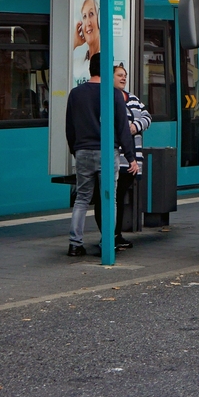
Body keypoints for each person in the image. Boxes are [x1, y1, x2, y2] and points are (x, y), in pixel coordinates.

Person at [65, 52, 139, 257]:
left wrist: (76, 149)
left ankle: (75, 244)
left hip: (83, 152)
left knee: (82, 199)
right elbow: (122, 128)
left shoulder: (75, 94)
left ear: (90, 68)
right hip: (107, 153)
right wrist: (131, 157)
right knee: (109, 198)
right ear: (106, 70)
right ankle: (108, 241)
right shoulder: (113, 94)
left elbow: (69, 127)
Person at [93, 64, 151, 250]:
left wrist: (136, 126)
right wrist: (127, 128)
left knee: (119, 196)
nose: (124, 78)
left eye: (125, 75)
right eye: (120, 75)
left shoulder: (132, 98)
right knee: (109, 197)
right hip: (116, 158)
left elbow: (147, 115)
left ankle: (115, 235)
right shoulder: (106, 97)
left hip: (132, 161)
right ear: (110, 77)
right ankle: (110, 236)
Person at [71, 0, 100, 88]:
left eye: (91, 14)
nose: (88, 23)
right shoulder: (76, 62)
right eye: (84, 16)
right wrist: (74, 44)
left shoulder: (107, 61)